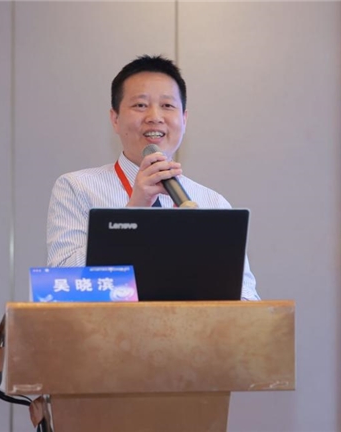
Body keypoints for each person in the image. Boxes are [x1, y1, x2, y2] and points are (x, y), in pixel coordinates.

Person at [46, 55, 259, 301]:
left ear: (184, 119)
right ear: (115, 119)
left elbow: (246, 297)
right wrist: (133, 212)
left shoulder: (213, 203)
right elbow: (60, 285)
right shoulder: (76, 188)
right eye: (140, 105)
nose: (155, 116)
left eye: (167, 106)